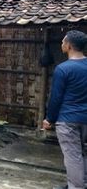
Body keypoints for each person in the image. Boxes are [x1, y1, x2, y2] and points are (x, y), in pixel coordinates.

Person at [43, 30, 87, 189]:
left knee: (72, 156)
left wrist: (49, 119)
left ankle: (76, 186)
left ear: (68, 46)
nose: (61, 44)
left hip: (67, 120)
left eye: (63, 42)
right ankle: (80, 183)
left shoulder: (63, 69)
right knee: (81, 152)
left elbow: (55, 98)